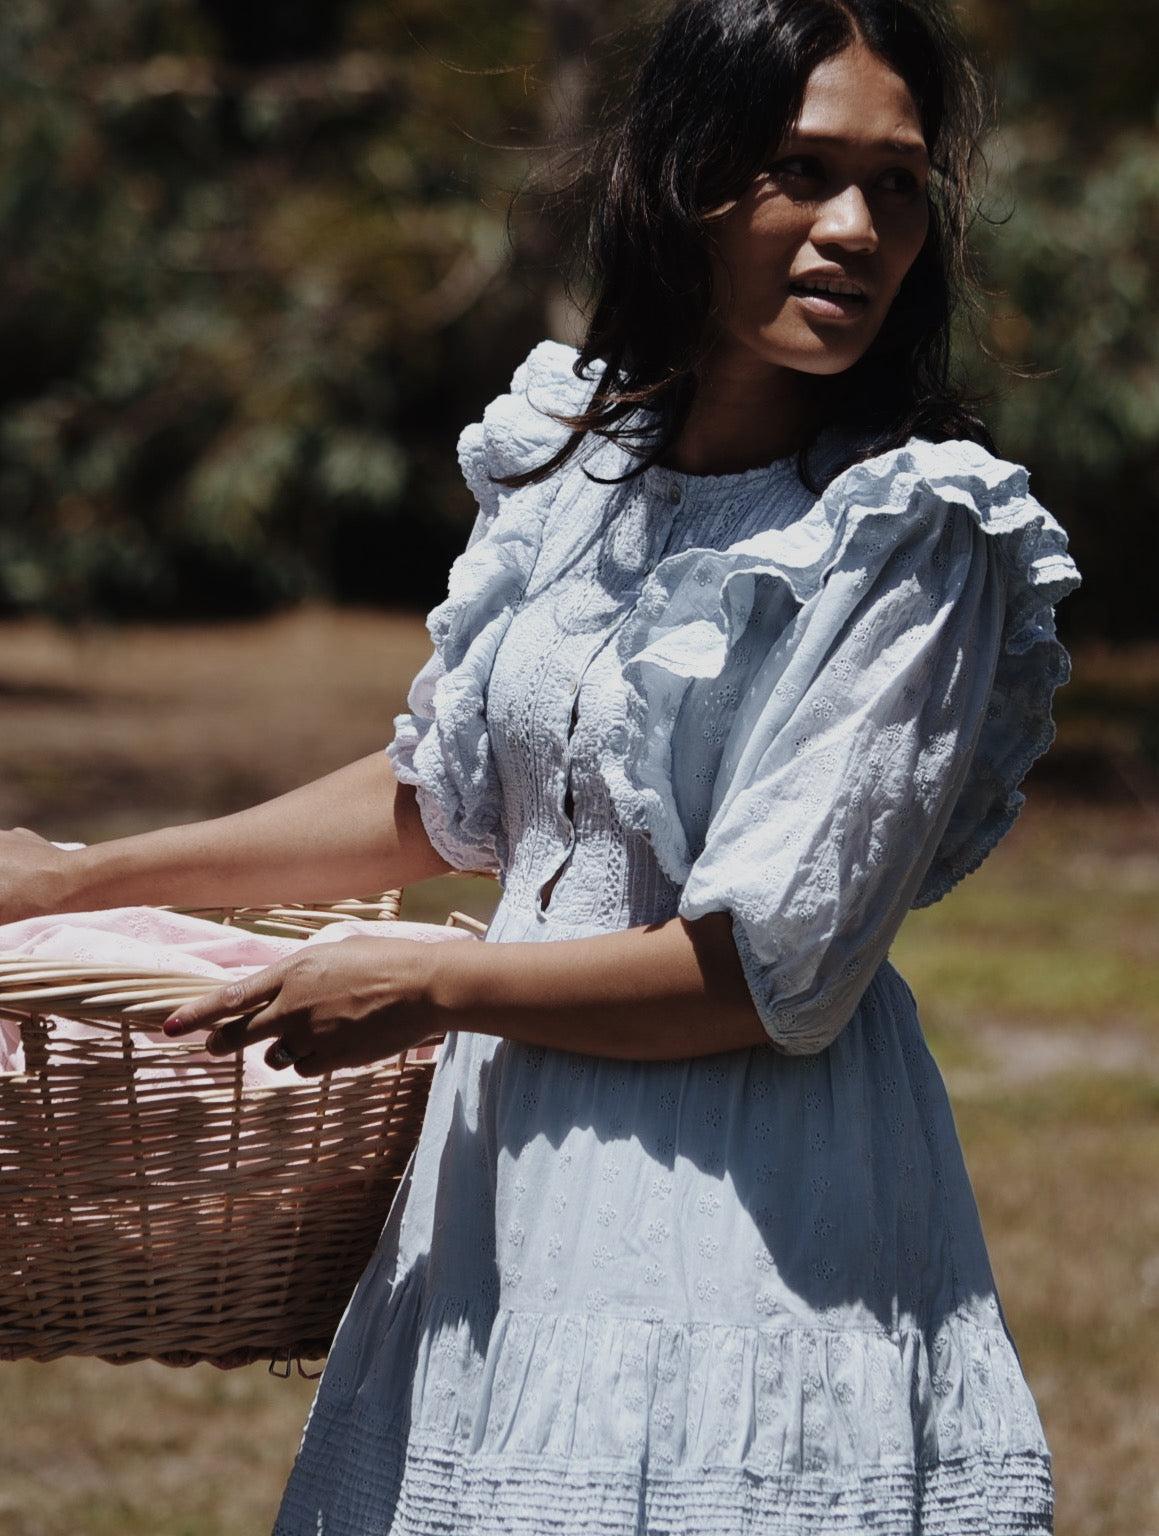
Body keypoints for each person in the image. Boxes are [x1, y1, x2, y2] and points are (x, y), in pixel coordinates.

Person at [0, 0, 1079, 1530]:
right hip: (508, 1187)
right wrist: (84, 873)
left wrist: (429, 986)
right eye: (799, 171)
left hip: (745, 1207)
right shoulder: (580, 460)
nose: (855, 228)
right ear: (686, 182)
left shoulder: (915, 536)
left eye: (896, 183)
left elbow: (766, 978)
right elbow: (441, 792)